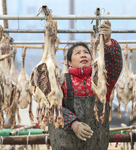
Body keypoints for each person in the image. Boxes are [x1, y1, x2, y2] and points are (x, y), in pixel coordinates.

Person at [48, 20, 123, 150]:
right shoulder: (61, 82)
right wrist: (72, 123)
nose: (83, 55)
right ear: (69, 63)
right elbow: (51, 107)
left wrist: (108, 42)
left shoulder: (102, 80)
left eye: (86, 52)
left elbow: (115, 66)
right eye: (78, 53)